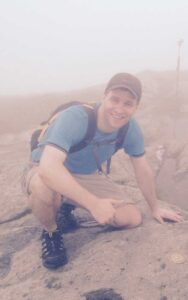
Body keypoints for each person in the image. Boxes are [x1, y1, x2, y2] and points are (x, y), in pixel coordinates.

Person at [22, 73, 183, 270]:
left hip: (84, 175)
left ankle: (65, 204)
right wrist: (93, 203)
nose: (119, 109)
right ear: (104, 96)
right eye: (114, 99)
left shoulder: (130, 128)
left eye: (128, 103)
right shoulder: (76, 117)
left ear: (136, 107)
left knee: (131, 217)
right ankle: (51, 232)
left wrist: (155, 208)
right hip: (44, 168)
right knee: (45, 188)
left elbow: (142, 169)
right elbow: (49, 169)